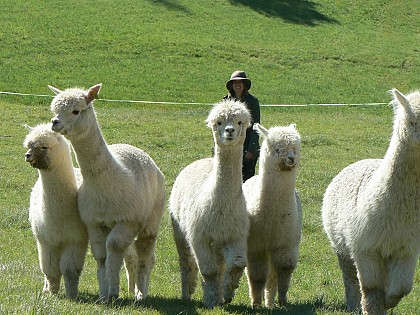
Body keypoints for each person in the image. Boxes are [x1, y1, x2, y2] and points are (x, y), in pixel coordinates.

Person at [224, 70, 260, 182]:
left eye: (240, 82)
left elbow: (256, 125)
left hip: (247, 148)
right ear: (231, 85)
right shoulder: (225, 101)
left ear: (244, 85)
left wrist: (251, 149)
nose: (238, 85)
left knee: (246, 181)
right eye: (235, 82)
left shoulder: (252, 101)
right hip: (230, 147)